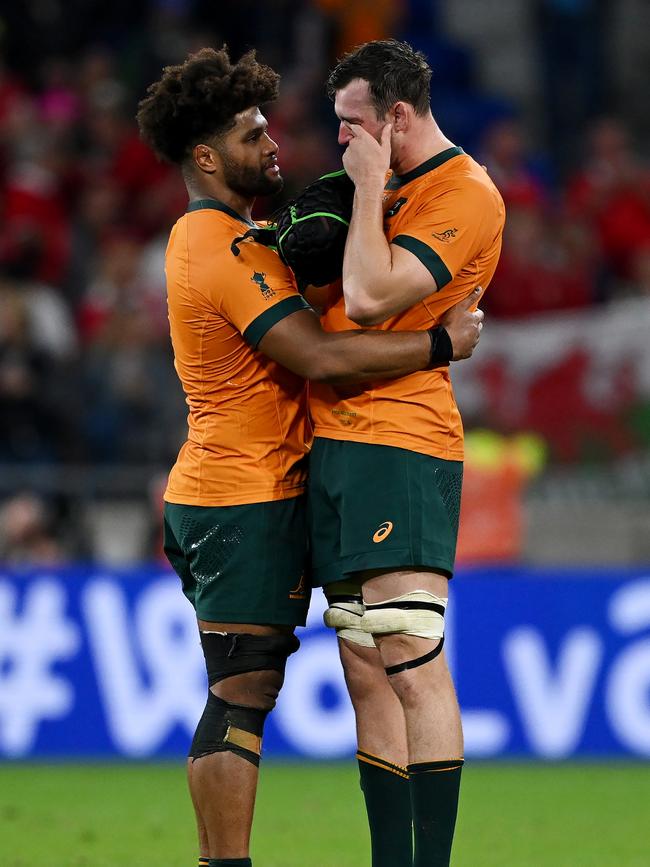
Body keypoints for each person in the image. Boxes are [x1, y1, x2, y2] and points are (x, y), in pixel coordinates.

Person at [135, 46, 484, 867]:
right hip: (237, 492)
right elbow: (318, 357)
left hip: (275, 481)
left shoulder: (246, 233)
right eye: (255, 136)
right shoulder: (211, 244)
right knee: (241, 690)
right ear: (209, 157)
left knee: (298, 675)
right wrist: (439, 341)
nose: (276, 147)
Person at [308, 40, 506, 867]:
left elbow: (369, 294)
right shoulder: (384, 182)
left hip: (402, 439)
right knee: (363, 670)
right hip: (335, 443)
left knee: (412, 660)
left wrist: (363, 191)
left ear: (395, 115)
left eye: (353, 124)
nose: (343, 140)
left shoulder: (465, 192)